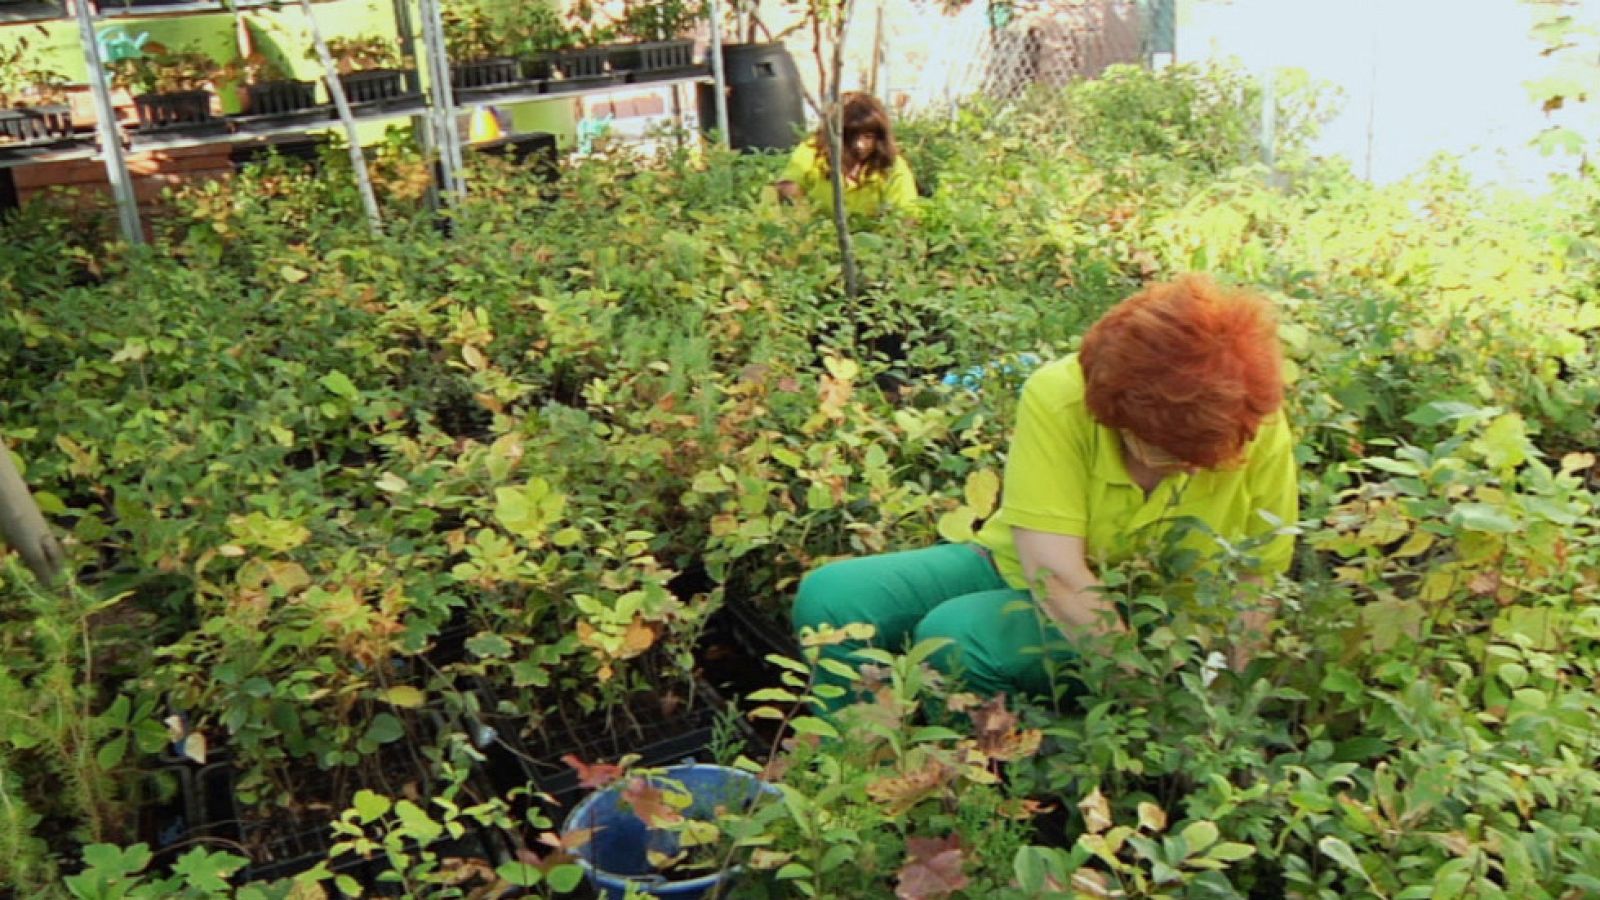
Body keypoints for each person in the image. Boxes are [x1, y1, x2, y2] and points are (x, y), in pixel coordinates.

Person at [792, 275, 1298, 703]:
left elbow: (1258, 578)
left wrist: (1215, 700)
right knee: (834, 598)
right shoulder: (1060, 395)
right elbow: (1054, 573)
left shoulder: (1250, 423)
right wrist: (1142, 688)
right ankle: (859, 764)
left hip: (1162, 624)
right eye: (1149, 444)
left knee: (955, 638)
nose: (1165, 466)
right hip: (1033, 575)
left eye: (1187, 459)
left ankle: (979, 774)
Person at [775, 92, 918, 218]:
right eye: (850, 137)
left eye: (868, 137)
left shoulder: (891, 165)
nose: (859, 145)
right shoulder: (814, 150)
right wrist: (806, 224)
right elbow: (788, 185)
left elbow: (907, 214)